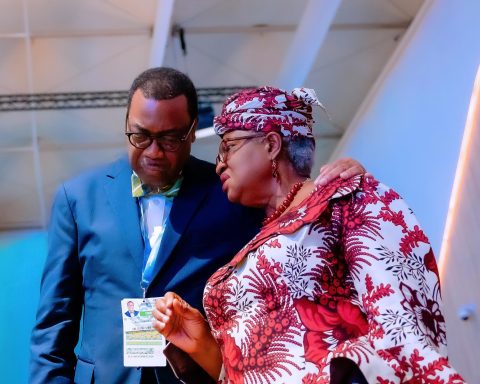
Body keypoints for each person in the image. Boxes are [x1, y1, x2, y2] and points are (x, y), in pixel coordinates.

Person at [29, 68, 364, 384]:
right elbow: (55, 322)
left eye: (170, 139)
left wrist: (339, 183)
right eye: (140, 136)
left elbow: (294, 212)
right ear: (126, 125)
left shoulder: (230, 191)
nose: (154, 152)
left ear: (192, 132)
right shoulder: (77, 198)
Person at [152, 86, 465, 383]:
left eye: (228, 147)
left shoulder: (346, 199)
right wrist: (203, 344)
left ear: (272, 144)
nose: (219, 164)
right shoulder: (248, 243)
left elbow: (403, 326)